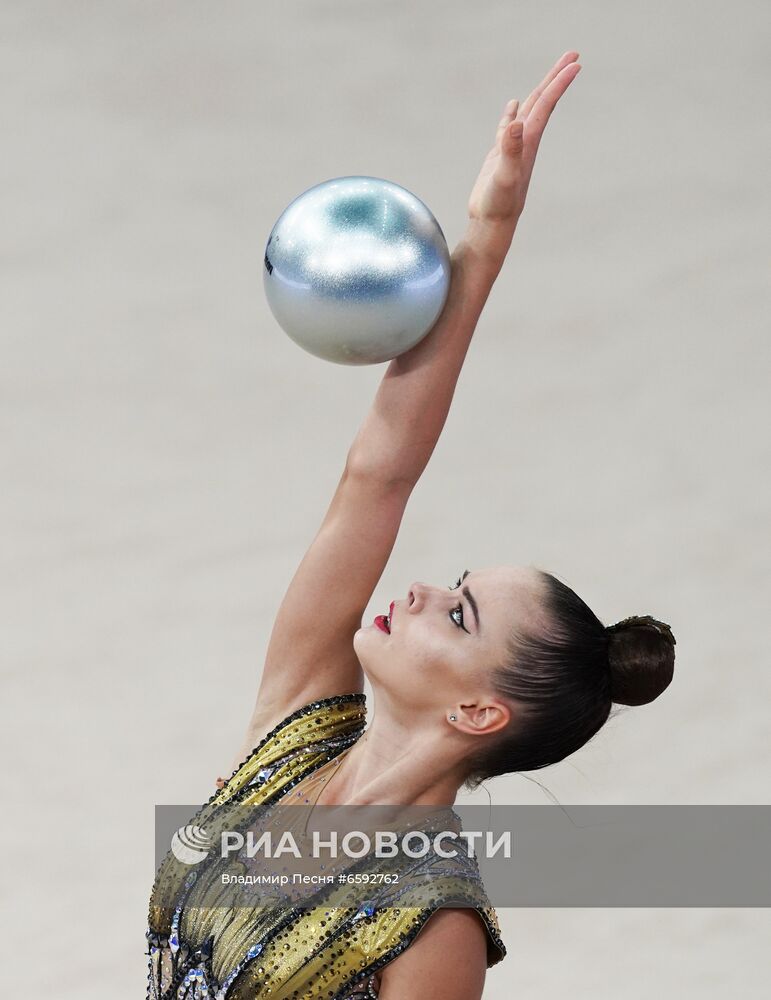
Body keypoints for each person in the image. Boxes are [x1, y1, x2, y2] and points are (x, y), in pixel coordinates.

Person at [147, 50, 676, 999]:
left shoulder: (436, 930)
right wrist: (485, 235)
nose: (426, 590)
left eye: (461, 614)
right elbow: (378, 475)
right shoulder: (296, 725)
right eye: (455, 581)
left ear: (477, 712)